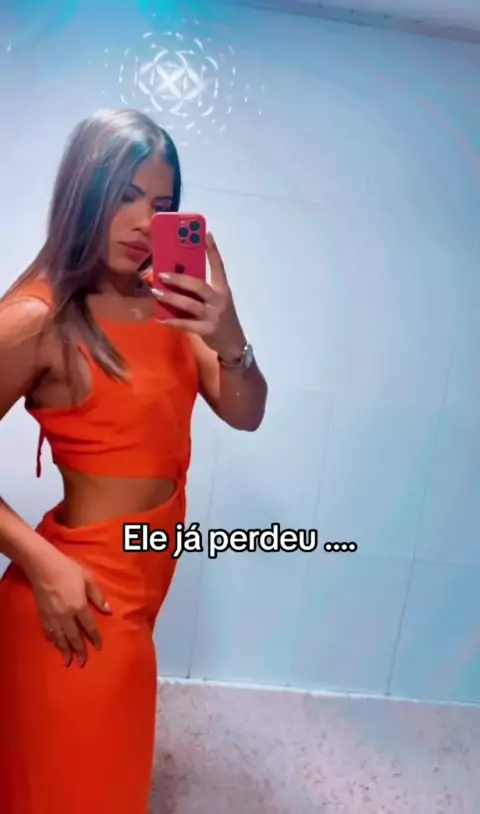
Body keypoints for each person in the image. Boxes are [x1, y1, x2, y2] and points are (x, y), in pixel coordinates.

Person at [0, 107, 268, 814]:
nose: (144, 221)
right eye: (123, 195)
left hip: (144, 588)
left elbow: (246, 412)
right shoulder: (39, 318)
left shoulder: (174, 306)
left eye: (161, 204)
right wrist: (42, 564)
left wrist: (230, 335)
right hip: (80, 595)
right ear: (81, 192)